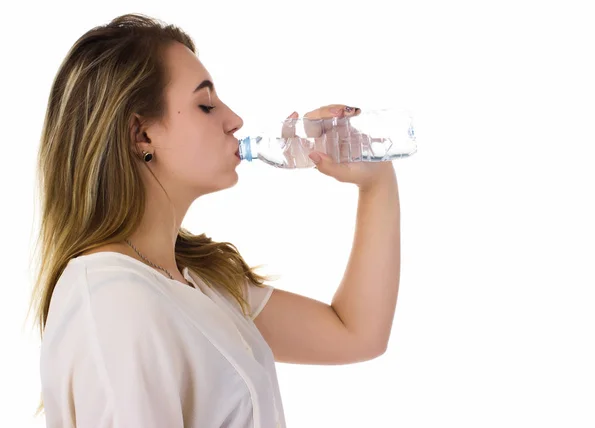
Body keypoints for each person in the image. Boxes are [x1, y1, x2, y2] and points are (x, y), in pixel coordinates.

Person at [30, 13, 401, 428]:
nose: (234, 120)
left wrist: (377, 183)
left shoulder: (193, 279)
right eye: (205, 104)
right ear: (142, 136)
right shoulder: (111, 299)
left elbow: (355, 332)